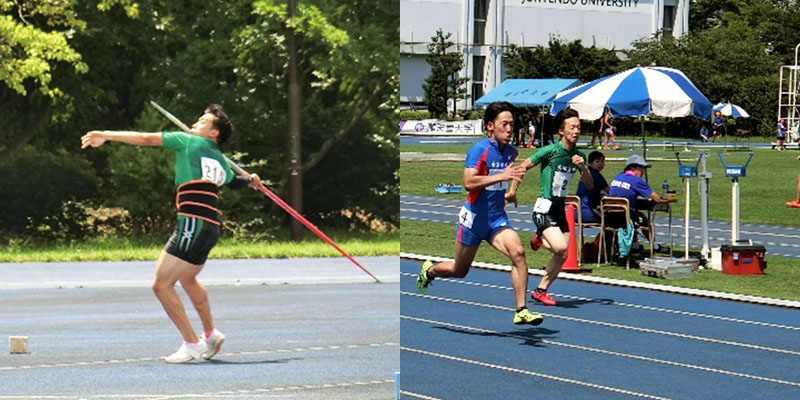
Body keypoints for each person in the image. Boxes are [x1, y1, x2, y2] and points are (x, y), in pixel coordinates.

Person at [80, 104, 263, 363]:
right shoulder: (220, 160)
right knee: (188, 279)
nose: (195, 123)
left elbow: (145, 139)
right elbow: (234, 182)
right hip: (210, 228)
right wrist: (251, 181)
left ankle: (192, 343)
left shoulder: (187, 141)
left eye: (203, 121)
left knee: (161, 285)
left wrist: (106, 135)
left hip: (192, 223)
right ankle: (210, 335)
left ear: (214, 133)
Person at [416, 101, 544, 326]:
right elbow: (469, 182)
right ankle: (430, 271)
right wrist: (501, 177)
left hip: (496, 219)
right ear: (490, 126)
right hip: (473, 220)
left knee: (518, 253)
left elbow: (513, 174)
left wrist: (511, 192)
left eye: (512, 124)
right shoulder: (479, 150)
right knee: (459, 270)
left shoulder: (511, 152)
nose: (509, 129)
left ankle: (521, 310)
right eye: (504, 124)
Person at [507, 108, 594, 307]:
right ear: (561, 131)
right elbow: (522, 167)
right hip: (544, 207)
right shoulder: (550, 151)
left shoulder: (579, 156)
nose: (576, 131)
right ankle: (540, 236)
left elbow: (590, 185)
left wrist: (583, 167)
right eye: (572, 127)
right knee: (561, 247)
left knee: (563, 254)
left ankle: (541, 290)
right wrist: (512, 191)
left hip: (559, 209)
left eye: (578, 127)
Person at [607, 155, 668, 244]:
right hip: (625, 217)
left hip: (610, 216)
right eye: (640, 168)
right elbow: (657, 198)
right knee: (642, 219)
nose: (643, 171)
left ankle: (635, 245)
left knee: (635, 213)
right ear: (632, 167)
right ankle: (654, 245)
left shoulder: (618, 176)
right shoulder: (637, 181)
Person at [576, 151, 609, 224]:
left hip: (575, 213)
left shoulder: (585, 174)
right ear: (590, 163)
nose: (601, 164)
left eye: (602, 161)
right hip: (588, 213)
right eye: (597, 162)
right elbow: (609, 192)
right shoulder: (596, 175)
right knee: (614, 218)